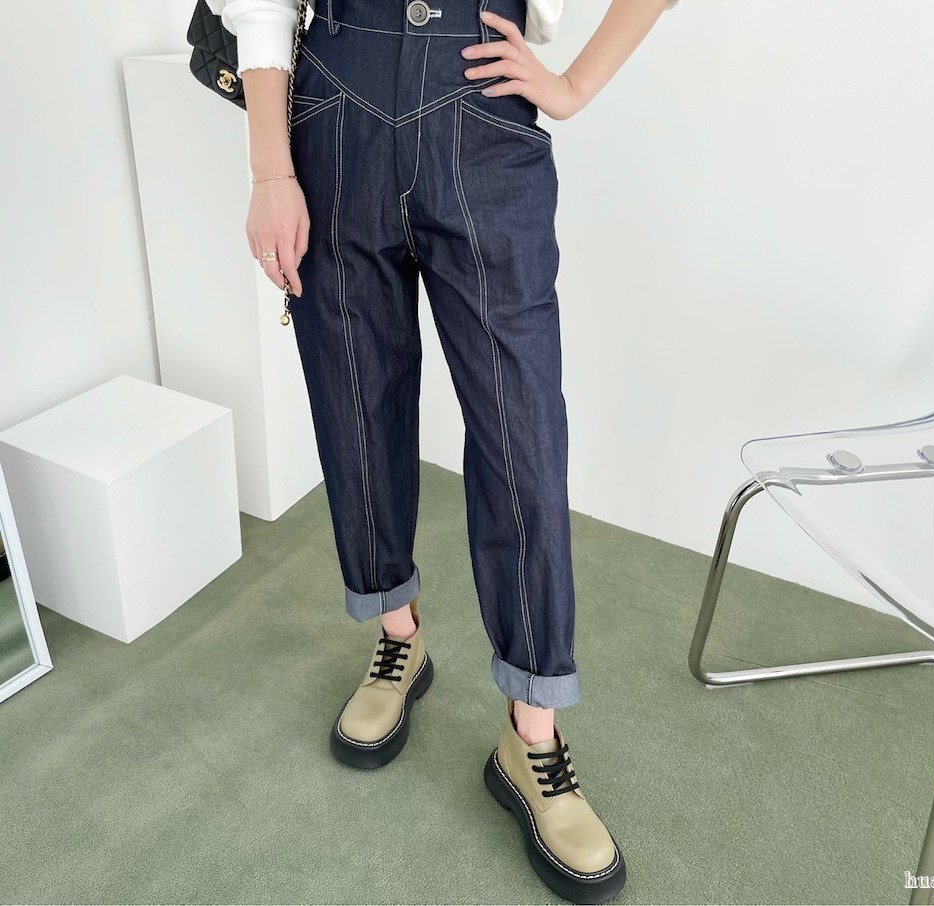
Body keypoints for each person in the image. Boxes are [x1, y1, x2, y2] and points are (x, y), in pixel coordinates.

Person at [206, 1, 677, 901]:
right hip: (332, 99)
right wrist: (270, 167)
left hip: (481, 102)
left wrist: (574, 87)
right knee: (355, 403)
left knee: (521, 430)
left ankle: (531, 733)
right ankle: (399, 636)